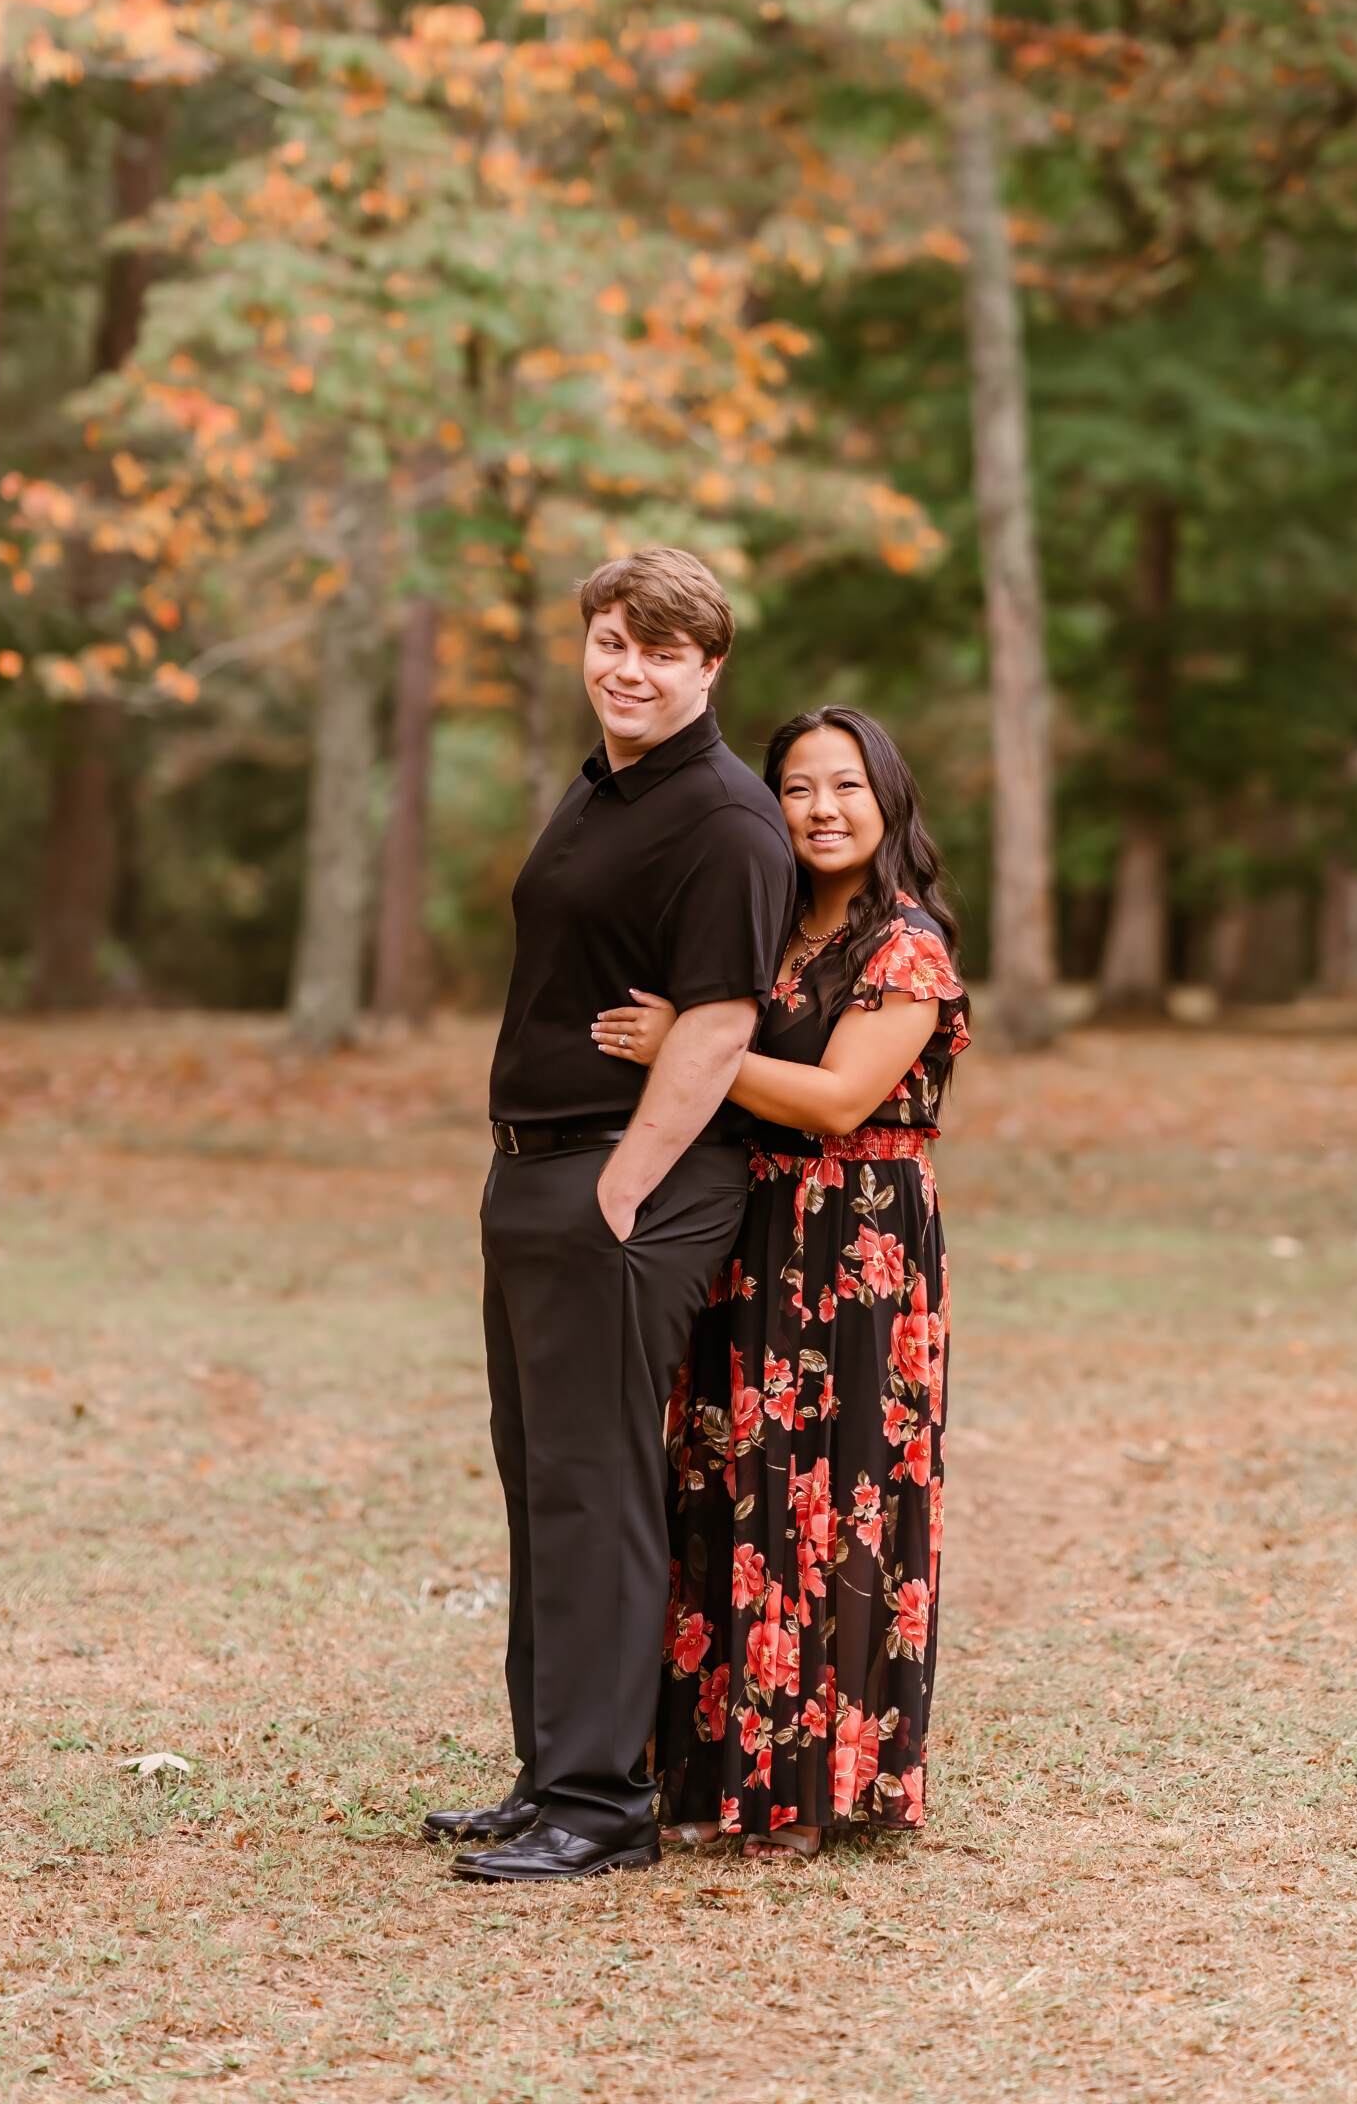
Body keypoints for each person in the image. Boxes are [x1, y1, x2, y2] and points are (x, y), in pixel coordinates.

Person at [428, 547, 796, 1885]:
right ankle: (547, 1774)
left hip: (621, 1180)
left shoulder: (723, 817)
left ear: (709, 668)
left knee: (596, 1485)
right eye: (608, 640)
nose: (624, 668)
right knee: (543, 1477)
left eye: (658, 649)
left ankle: (601, 1801)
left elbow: (717, 1021)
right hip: (535, 1169)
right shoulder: (603, 790)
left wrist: (622, 1183)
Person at [592, 706, 968, 1860]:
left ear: (888, 798)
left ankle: (808, 1789)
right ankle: (710, 1774)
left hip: (860, 1246)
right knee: (729, 1485)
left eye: (846, 785)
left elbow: (837, 1099)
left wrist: (687, 1051)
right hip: (747, 1228)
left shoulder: (906, 945)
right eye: (798, 787)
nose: (821, 808)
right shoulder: (766, 936)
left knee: (834, 1497)